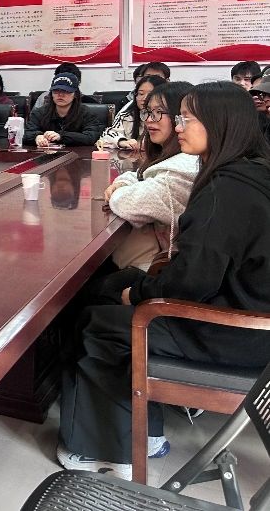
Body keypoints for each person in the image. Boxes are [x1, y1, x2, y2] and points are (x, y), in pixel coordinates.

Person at [58, 81, 270, 479]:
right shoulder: (251, 171)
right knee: (108, 297)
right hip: (249, 319)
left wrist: (137, 293)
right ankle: (143, 431)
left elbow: (190, 284)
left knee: (100, 324)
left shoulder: (226, 191)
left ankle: (110, 451)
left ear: (220, 123)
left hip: (234, 334)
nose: (178, 127)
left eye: (187, 119)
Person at [103, 81, 198, 271]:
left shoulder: (184, 167)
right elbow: (142, 177)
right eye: (147, 112)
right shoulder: (171, 160)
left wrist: (118, 190)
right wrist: (124, 181)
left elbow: (129, 204)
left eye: (159, 112)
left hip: (173, 271)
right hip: (164, 259)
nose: (149, 120)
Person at [25, 73, 105, 147]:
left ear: (75, 94)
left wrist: (61, 136)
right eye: (56, 91)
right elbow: (25, 134)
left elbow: (91, 137)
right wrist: (36, 136)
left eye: (65, 91)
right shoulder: (39, 112)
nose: (60, 95)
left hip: (78, 154)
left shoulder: (86, 113)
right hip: (46, 154)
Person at [97, 75, 166, 150]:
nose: (144, 98)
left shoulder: (166, 117)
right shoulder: (127, 116)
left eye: (150, 94)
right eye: (141, 94)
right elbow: (106, 136)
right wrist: (122, 141)